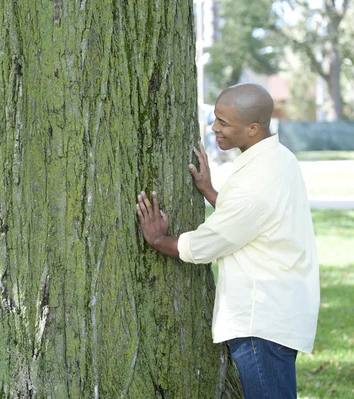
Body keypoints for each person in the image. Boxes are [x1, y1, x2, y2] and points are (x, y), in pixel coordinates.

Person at [136, 83, 319, 399]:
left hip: (259, 321)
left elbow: (205, 245)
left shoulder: (252, 186)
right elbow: (253, 221)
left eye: (223, 122)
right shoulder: (281, 159)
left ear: (252, 128)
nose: (213, 128)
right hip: (281, 310)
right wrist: (209, 191)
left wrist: (157, 238)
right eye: (215, 119)